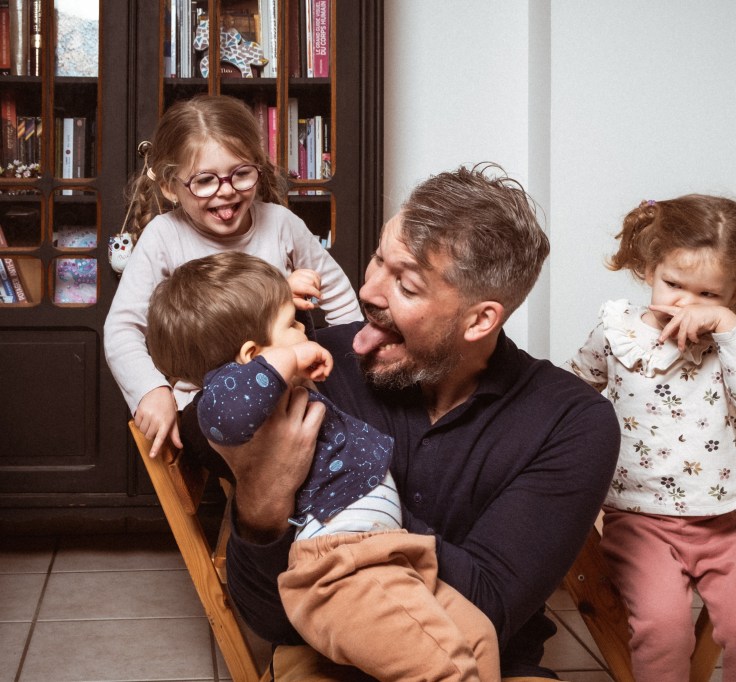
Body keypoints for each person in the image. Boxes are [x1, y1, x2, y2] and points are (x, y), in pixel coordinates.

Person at [178, 163, 621, 679]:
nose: (369, 291)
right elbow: (272, 619)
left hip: (478, 660)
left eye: (406, 285)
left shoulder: (570, 421)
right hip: (324, 658)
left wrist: (365, 510)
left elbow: (487, 607)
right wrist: (263, 496)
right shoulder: (310, 367)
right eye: (377, 260)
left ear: (481, 319)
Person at [147, 251, 499, 681]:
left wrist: (283, 313)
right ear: (254, 354)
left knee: (478, 635)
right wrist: (285, 355)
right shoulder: (229, 399)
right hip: (340, 567)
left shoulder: (278, 388)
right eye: (292, 324)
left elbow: (272, 358)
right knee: (440, 667)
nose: (305, 331)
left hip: (389, 555)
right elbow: (226, 409)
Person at [565, 195, 736, 681]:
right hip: (639, 518)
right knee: (664, 631)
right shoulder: (616, 331)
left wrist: (728, 327)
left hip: (721, 522)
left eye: (709, 294)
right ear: (648, 269)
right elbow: (575, 388)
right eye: (673, 285)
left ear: (735, 292)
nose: (687, 304)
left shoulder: (731, 341)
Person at [104, 94, 362, 460]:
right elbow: (122, 329)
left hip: (289, 396)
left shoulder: (281, 224)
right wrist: (150, 389)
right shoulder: (164, 236)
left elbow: (337, 295)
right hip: (209, 408)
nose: (226, 190)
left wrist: (352, 368)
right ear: (169, 186)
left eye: (241, 173)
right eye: (204, 181)